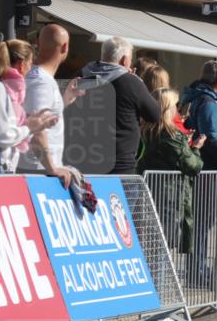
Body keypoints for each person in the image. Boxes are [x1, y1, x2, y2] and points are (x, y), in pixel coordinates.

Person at [66, 37, 160, 174]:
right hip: (119, 163)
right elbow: (154, 114)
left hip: (84, 157)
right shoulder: (131, 82)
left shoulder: (81, 76)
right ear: (124, 60)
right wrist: (137, 82)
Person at [0, 39, 58, 173]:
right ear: (21, 65)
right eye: (30, 64)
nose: (30, 69)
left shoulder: (6, 90)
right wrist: (29, 127)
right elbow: (2, 136)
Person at [136, 88, 205, 256]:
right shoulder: (170, 135)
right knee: (161, 250)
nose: (178, 109)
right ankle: (158, 283)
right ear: (167, 108)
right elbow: (193, 166)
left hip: (149, 193)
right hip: (168, 198)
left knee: (153, 248)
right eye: (175, 105)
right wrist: (195, 148)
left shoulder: (144, 130)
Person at [18, 24, 84, 186]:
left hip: (38, 169)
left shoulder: (39, 78)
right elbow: (36, 128)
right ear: (65, 47)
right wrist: (52, 167)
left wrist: (64, 100)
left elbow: (41, 118)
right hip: (38, 171)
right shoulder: (41, 81)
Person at [181, 60, 217, 172]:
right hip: (216, 166)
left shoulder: (203, 99)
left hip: (216, 165)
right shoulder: (207, 102)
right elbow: (209, 137)